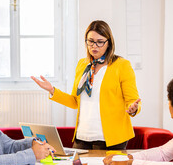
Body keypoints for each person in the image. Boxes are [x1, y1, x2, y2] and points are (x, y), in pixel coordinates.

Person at [32, 20, 141, 150]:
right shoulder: (82, 65)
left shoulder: (122, 65)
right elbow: (74, 101)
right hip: (82, 136)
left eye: (100, 42)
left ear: (109, 43)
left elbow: (133, 101)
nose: (94, 46)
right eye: (90, 41)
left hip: (110, 138)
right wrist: (52, 90)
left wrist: (133, 108)